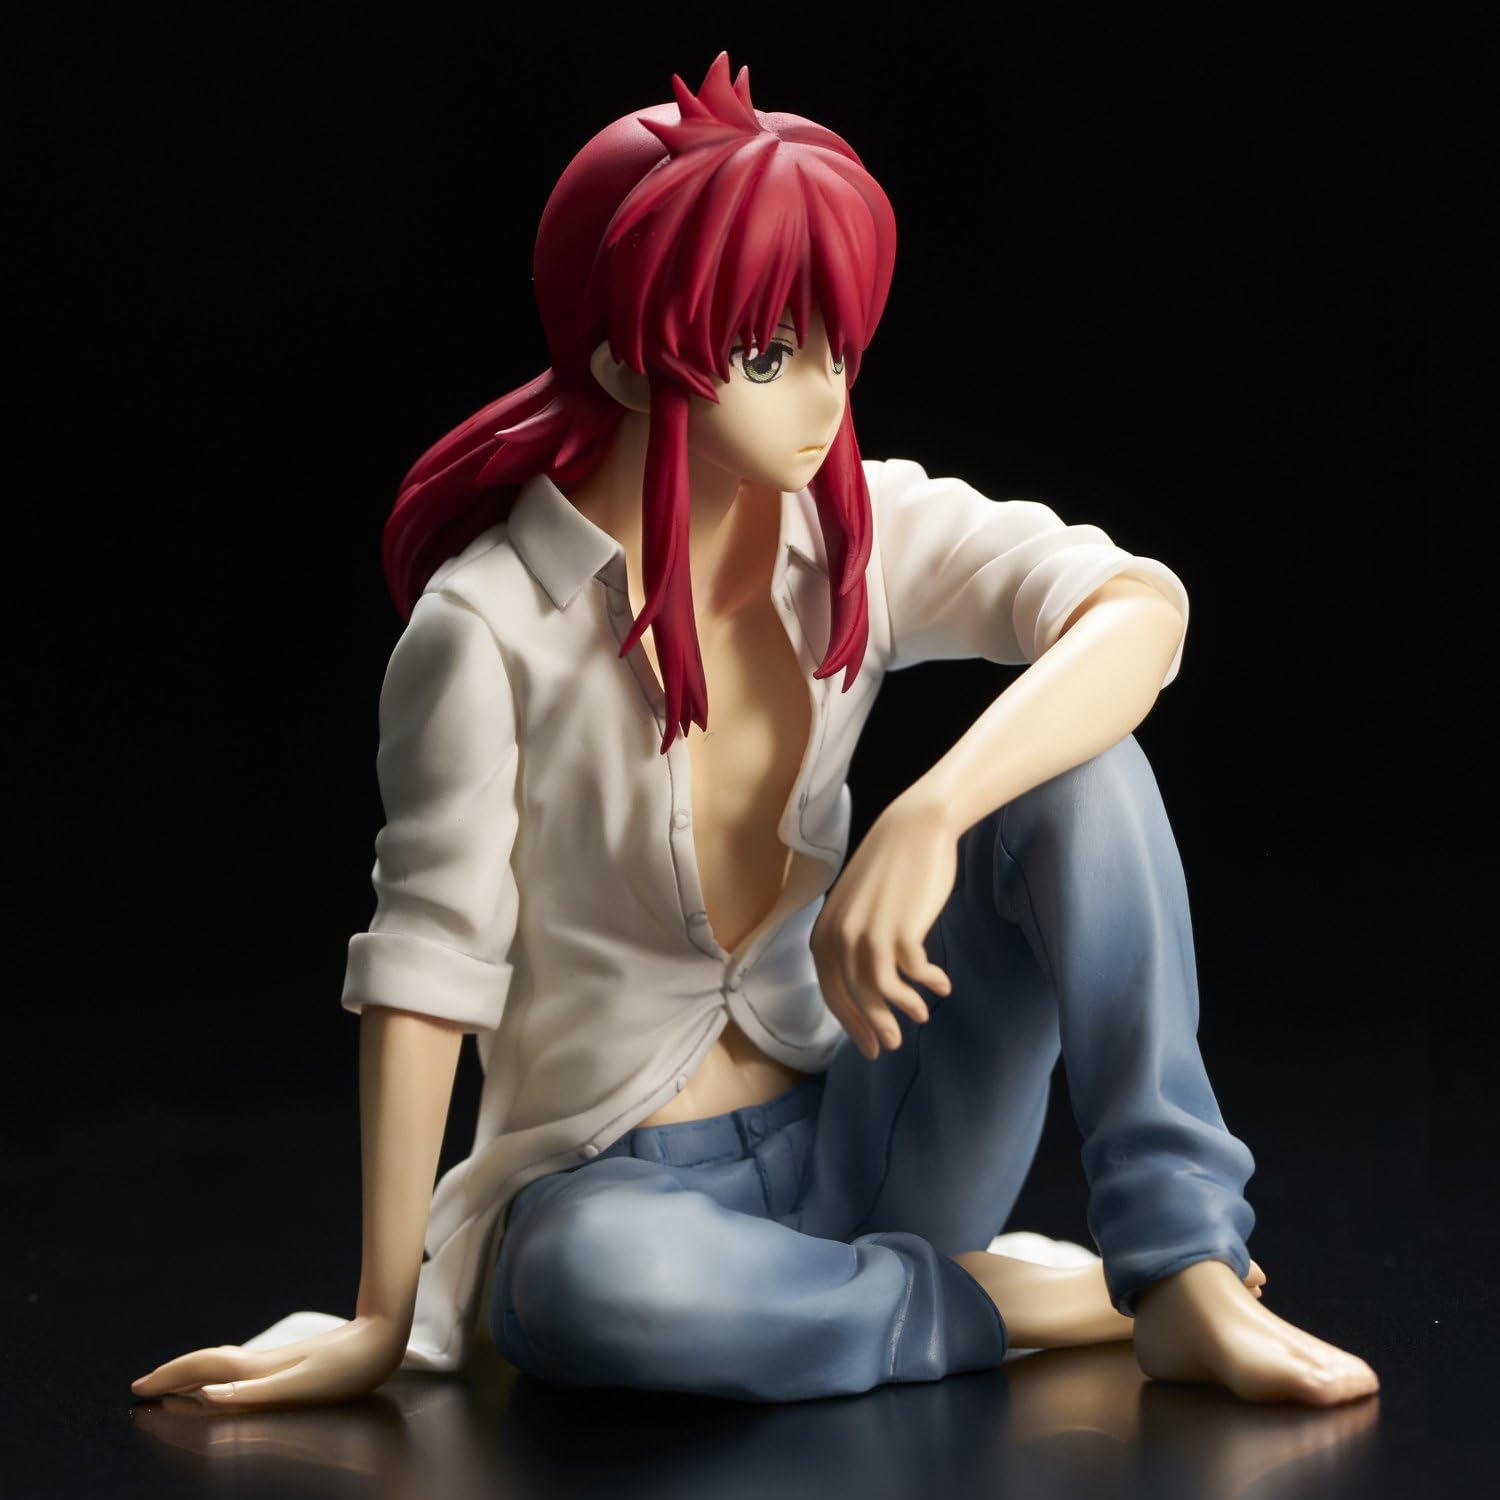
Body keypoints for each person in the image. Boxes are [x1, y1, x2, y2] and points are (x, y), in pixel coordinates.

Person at [132, 51, 1378, 1409]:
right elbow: (432, 963)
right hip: (619, 1195)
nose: (823, 396)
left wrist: (934, 812)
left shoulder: (856, 535)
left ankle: (1183, 1267)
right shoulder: (487, 627)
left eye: (838, 346)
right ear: (624, 356)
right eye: (770, 355)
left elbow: (1138, 608)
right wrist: (382, 1318)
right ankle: (1007, 1298)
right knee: (590, 1292)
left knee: (1083, 772)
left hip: (872, 1126)